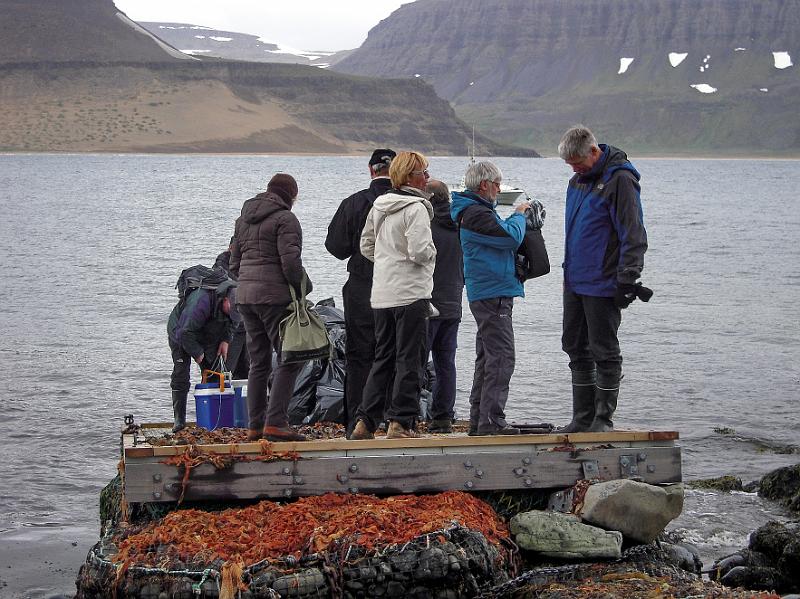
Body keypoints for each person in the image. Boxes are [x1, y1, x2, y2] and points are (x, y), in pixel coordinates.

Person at [557, 125, 648, 432]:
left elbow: (633, 232)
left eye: (577, 162)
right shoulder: (577, 181)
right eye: (570, 164)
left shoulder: (620, 179)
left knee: (604, 350)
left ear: (594, 151)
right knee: (573, 345)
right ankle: (582, 417)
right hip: (575, 279)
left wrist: (628, 277)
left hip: (603, 281)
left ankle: (602, 419)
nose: (574, 167)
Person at [349, 151, 437, 440]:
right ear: (410, 176)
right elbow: (419, 251)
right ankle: (400, 421)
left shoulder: (380, 206)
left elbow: (365, 245)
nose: (427, 177)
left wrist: (387, 261)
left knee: (382, 357)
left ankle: (365, 421)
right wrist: (431, 254)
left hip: (383, 292)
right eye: (423, 171)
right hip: (411, 293)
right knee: (409, 358)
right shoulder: (417, 208)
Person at [230, 173, 312, 442]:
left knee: (258, 363)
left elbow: (233, 264)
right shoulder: (285, 219)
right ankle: (276, 422)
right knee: (291, 358)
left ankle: (255, 426)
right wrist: (301, 288)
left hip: (245, 297)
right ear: (292, 195)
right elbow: (291, 265)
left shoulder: (243, 219)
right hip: (274, 298)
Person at [451, 161, 529, 436]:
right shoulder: (476, 213)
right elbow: (510, 238)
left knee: (487, 358)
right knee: (502, 357)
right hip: (492, 293)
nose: (498, 189)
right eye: (497, 184)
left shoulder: (476, 211)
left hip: (488, 292)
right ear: (484, 185)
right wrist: (520, 215)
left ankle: (480, 421)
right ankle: (491, 423)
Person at [325, 149, 395, 435]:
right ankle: (393, 418)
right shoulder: (412, 203)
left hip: (362, 285)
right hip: (396, 285)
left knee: (358, 355)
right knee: (393, 351)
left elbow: (336, 247)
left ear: (371, 170)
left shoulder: (353, 203)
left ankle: (357, 419)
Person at [167, 280, 241, 432]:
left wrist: (226, 340)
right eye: (231, 310)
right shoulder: (201, 302)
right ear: (225, 300)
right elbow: (184, 333)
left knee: (213, 373)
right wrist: (199, 355)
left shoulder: (235, 306)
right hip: (180, 333)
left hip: (208, 334)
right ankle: (179, 421)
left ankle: (212, 419)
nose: (233, 313)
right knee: (181, 374)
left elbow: (234, 323)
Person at [425, 180, 464, 433]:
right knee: (445, 363)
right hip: (453, 301)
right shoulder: (461, 225)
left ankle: (402, 415)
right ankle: (443, 418)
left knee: (416, 361)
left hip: (427, 303)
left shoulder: (426, 226)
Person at [213, 237, 249, 380]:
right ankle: (222, 398)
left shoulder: (249, 265)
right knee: (227, 368)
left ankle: (242, 400)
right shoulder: (221, 267)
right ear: (230, 248)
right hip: (232, 327)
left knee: (246, 368)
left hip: (247, 325)